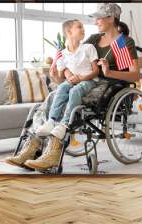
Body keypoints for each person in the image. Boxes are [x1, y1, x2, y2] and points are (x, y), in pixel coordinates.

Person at [6, 19, 99, 170]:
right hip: (70, 84)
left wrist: (79, 78)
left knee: (71, 91)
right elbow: (63, 75)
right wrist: (63, 75)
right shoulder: (63, 53)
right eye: (79, 27)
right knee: (59, 91)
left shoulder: (88, 48)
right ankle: (42, 134)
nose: (83, 29)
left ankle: (61, 129)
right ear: (69, 32)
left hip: (85, 81)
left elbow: (95, 71)